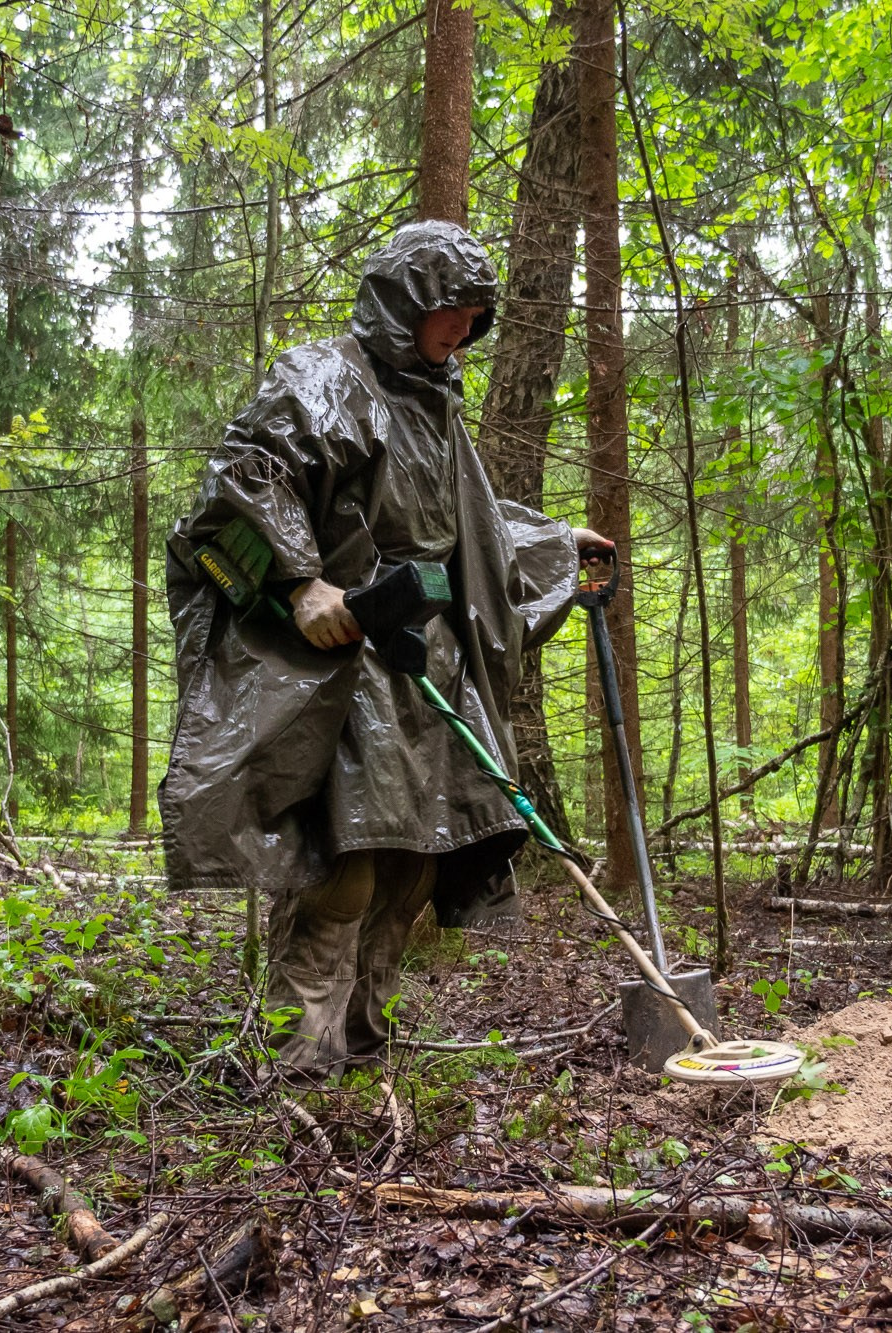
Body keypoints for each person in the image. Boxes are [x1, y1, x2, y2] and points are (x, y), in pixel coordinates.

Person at [159, 220, 608, 1083]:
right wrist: (301, 581)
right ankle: (299, 1050)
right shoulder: (324, 378)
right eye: (451, 310)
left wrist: (554, 541)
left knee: (415, 858)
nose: (464, 329)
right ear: (404, 303)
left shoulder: (439, 408)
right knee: (347, 864)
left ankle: (363, 1037)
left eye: (477, 315)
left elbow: (465, 535)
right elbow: (244, 477)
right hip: (348, 662)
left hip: (430, 660)